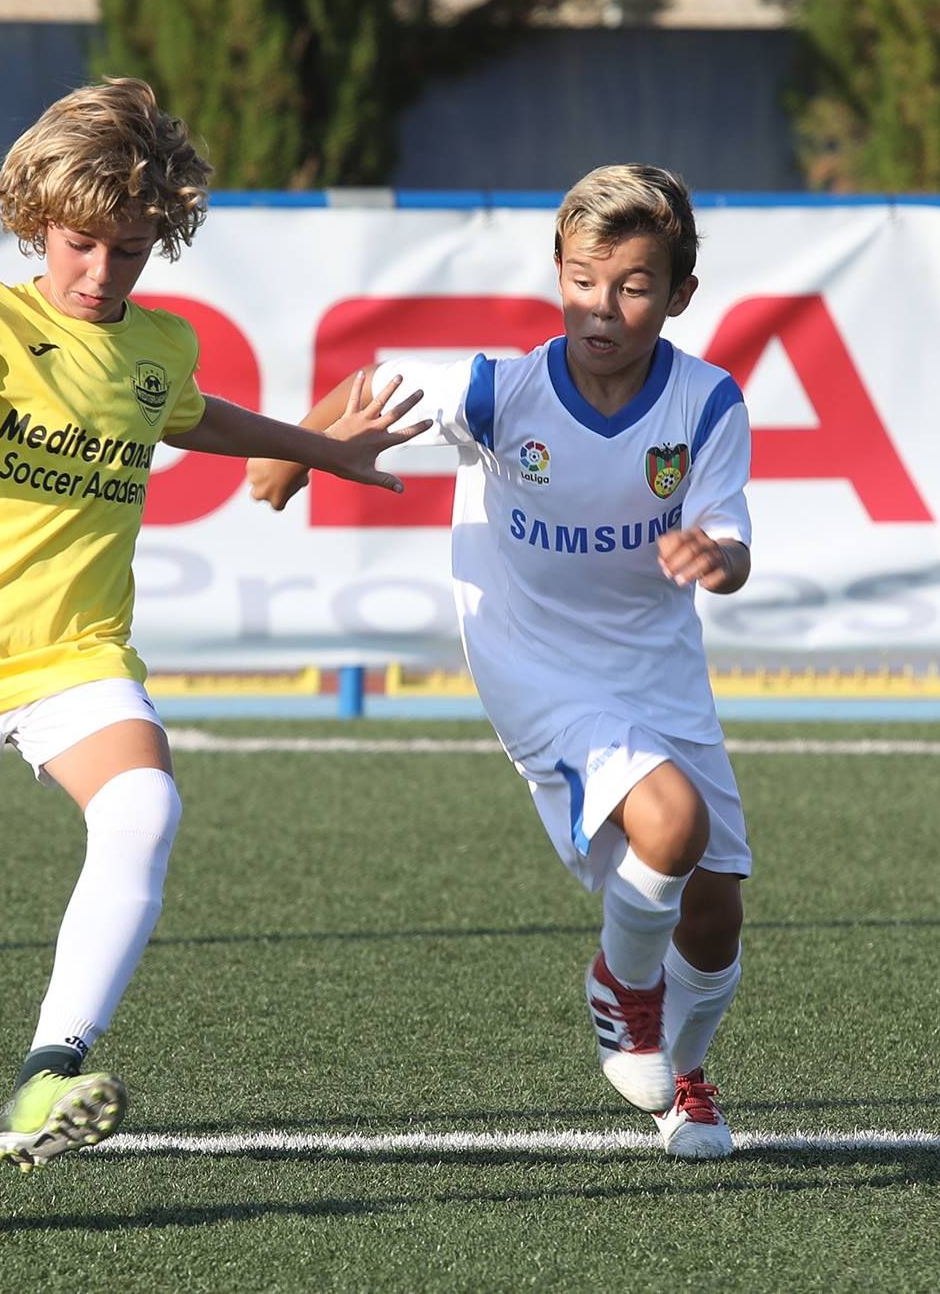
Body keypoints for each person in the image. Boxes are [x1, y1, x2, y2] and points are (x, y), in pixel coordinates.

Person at [0, 76, 428, 1172]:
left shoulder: (158, 343)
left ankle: (46, 1074)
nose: (100, 272)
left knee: (143, 806)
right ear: (37, 222)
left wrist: (323, 450)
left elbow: (189, 414)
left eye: (129, 249)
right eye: (81, 244)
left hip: (76, 655)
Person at [246, 164, 752, 1160]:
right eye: (582, 280)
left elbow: (730, 537)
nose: (601, 307)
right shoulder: (499, 390)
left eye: (632, 286)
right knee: (672, 822)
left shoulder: (705, 402)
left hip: (657, 667)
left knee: (715, 912)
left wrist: (717, 558)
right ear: (557, 275)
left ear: (679, 294)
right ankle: (621, 991)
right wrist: (296, 452)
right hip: (535, 664)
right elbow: (371, 383)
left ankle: (684, 1077)